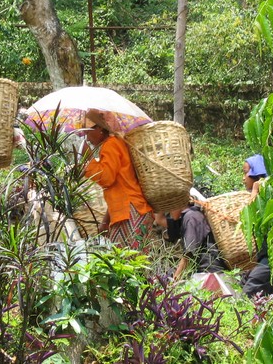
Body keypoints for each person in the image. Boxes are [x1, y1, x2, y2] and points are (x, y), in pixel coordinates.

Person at [81, 117, 154, 249]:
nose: (86, 137)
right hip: (132, 212)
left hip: (131, 213)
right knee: (129, 263)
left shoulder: (111, 144)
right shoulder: (115, 143)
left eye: (87, 131)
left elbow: (107, 178)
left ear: (99, 129)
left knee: (127, 263)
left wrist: (89, 159)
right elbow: (118, 189)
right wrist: (105, 222)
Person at [241, 154, 273, 297]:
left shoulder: (270, 192)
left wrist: (255, 191)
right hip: (269, 254)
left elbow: (250, 215)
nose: (243, 178)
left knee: (251, 286)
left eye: (245, 172)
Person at [154, 202, 227, 280]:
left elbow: (188, 255)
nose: (169, 212)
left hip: (210, 272)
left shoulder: (192, 216)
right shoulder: (185, 217)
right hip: (205, 272)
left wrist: (175, 280)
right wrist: (158, 200)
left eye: (170, 208)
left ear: (177, 204)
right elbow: (160, 220)